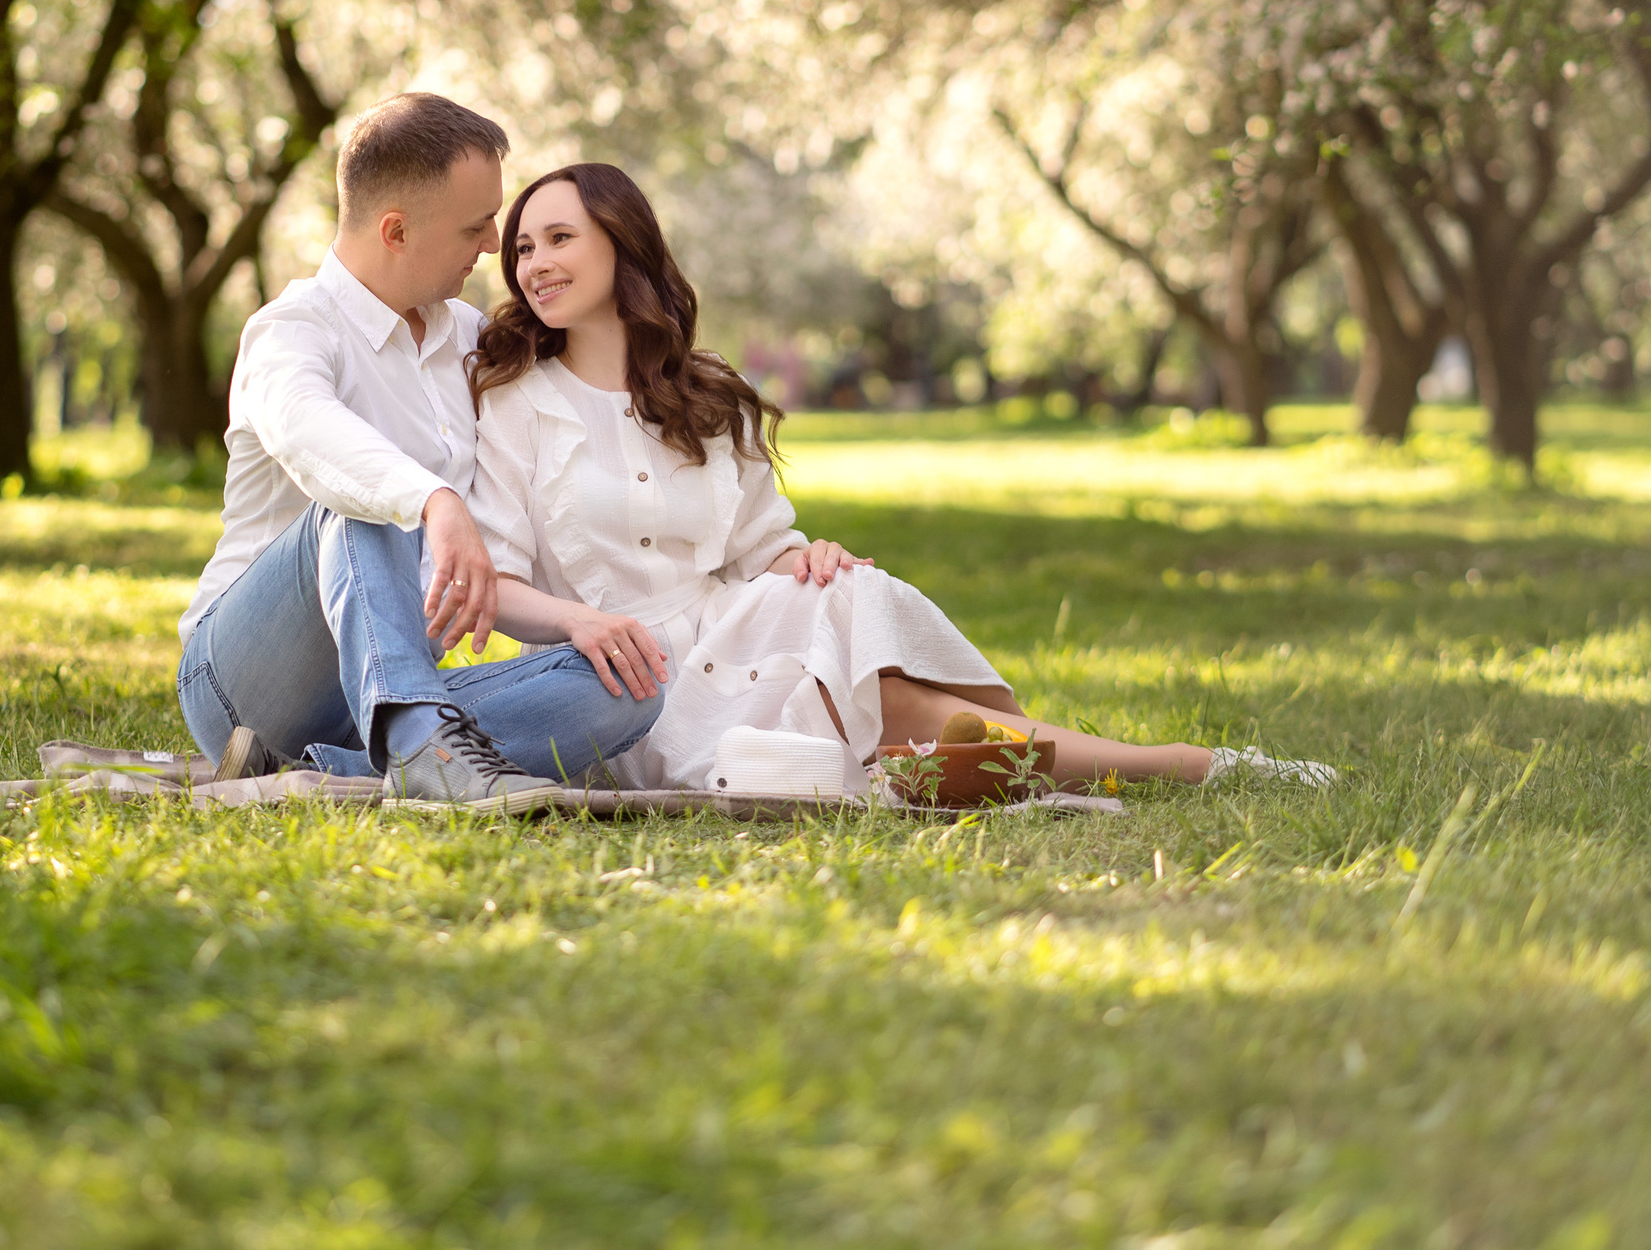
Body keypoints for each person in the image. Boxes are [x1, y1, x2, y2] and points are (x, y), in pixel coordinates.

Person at [464, 162, 1335, 797]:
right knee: (886, 706)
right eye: (523, 246)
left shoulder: (705, 394)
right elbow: (495, 586)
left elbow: (761, 548)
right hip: (628, 685)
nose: (534, 262)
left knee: (852, 606)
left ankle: (991, 765)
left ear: (623, 242)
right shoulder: (510, 403)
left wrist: (804, 559)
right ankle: (1171, 765)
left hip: (738, 625)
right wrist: (581, 619)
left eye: (559, 238)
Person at [175, 97, 662, 813]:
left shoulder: (469, 338)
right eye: (476, 224)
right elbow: (311, 432)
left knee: (629, 684)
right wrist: (432, 500)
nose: (496, 242)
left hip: (389, 688)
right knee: (360, 505)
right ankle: (414, 745)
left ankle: (339, 763)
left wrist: (572, 620)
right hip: (248, 683)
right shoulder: (290, 330)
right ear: (395, 230)